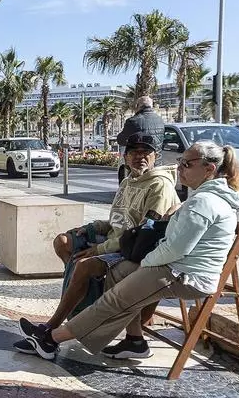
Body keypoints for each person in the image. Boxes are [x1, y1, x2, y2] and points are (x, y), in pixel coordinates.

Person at [24, 140, 239, 360]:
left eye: (187, 164)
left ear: (209, 169)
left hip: (183, 274)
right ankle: (135, 340)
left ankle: (51, 338)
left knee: (115, 298)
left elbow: (176, 249)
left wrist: (145, 265)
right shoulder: (201, 198)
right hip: (171, 265)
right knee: (116, 274)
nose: (179, 169)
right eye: (180, 162)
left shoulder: (204, 202)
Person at [15, 132, 179, 354]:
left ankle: (50, 328)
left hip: (136, 250)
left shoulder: (159, 185)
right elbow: (118, 220)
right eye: (134, 152)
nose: (140, 157)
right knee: (63, 243)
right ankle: (83, 292)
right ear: (125, 157)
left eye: (145, 153)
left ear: (155, 156)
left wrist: (98, 249)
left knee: (84, 266)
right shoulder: (129, 180)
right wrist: (95, 227)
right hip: (119, 239)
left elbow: (143, 233)